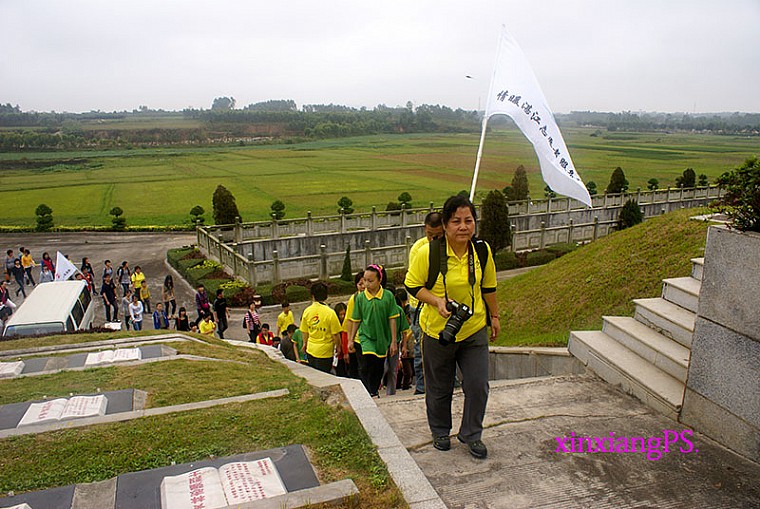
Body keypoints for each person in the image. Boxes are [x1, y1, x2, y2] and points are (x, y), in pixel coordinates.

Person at [404, 194, 499, 459]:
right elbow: (412, 285)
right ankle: (440, 431)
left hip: (473, 328)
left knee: (478, 385)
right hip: (437, 331)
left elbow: (488, 286)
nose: (463, 227)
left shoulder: (481, 251)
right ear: (445, 225)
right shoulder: (429, 252)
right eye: (456, 221)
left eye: (468, 220)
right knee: (439, 387)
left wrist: (494, 316)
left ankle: (471, 434)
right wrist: (436, 301)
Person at [348, 265, 398, 397]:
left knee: (378, 366)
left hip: (382, 338)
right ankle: (367, 391)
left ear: (379, 280)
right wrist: (351, 340)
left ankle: (373, 390)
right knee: (365, 365)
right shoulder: (360, 298)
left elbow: (392, 319)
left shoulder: (388, 296)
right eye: (365, 280)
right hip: (365, 337)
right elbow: (356, 320)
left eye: (370, 281)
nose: (366, 284)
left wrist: (393, 341)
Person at [409, 211, 443, 395]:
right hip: (420, 306)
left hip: (443, 307)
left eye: (438, 235)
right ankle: (422, 386)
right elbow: (417, 282)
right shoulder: (419, 248)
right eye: (430, 234)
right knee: (421, 347)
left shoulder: (450, 246)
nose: (434, 239)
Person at [300, 282, 342, 374]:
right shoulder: (330, 313)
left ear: (312, 296)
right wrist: (338, 347)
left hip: (311, 350)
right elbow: (335, 334)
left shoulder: (307, 311)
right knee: (325, 376)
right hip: (325, 353)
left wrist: (305, 344)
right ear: (326, 296)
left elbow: (304, 332)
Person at [344, 270, 365, 380]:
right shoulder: (355, 298)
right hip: (359, 339)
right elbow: (350, 320)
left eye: (364, 283)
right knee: (361, 367)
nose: (363, 286)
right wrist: (350, 340)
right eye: (360, 284)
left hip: (373, 338)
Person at [333, 302, 350, 377]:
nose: (342, 316)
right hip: (339, 354)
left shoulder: (348, 323)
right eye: (340, 314)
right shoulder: (335, 324)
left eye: (344, 314)